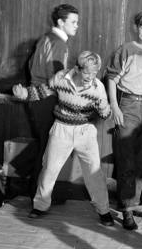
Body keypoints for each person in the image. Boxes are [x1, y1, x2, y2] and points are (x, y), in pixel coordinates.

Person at [13, 51, 114, 226]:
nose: (90, 77)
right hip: (61, 129)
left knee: (94, 173)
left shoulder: (98, 88)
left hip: (85, 131)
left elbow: (105, 115)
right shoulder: (61, 78)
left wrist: (105, 109)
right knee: (49, 168)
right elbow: (42, 91)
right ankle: (40, 206)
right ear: (77, 68)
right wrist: (24, 94)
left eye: (94, 73)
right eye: (86, 72)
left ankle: (104, 211)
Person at [12, 4, 79, 198]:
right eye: (73, 22)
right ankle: (38, 195)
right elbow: (56, 81)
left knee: (45, 144)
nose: (77, 26)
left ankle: (34, 190)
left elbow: (31, 66)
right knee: (48, 148)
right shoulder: (59, 44)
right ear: (61, 21)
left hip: (36, 98)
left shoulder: (45, 39)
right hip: (46, 98)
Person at [106, 10, 142, 230]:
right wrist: (114, 105)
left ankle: (132, 202)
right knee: (126, 158)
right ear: (135, 28)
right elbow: (112, 77)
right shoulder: (126, 50)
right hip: (128, 105)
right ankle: (127, 208)